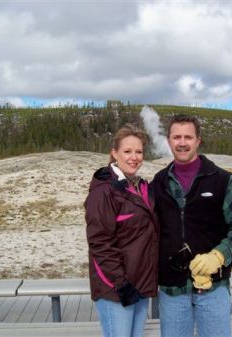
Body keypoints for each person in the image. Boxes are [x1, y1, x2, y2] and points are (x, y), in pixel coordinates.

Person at [151, 115, 232, 337]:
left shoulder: (222, 180)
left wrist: (219, 256)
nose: (182, 142)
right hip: (172, 289)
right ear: (168, 141)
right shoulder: (157, 184)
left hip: (213, 288)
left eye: (188, 137)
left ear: (198, 140)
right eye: (176, 137)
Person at [85, 124, 159, 337]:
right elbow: (99, 244)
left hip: (141, 286)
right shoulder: (104, 192)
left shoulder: (141, 188)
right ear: (114, 153)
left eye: (138, 151)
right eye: (127, 151)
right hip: (117, 290)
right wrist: (121, 285)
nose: (134, 157)